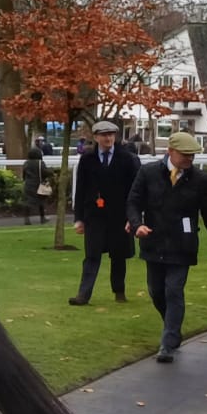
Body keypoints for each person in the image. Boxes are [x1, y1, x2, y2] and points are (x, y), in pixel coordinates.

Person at [126, 132, 207, 363]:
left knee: (173, 290)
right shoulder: (148, 172)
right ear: (170, 151)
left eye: (192, 155)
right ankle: (173, 328)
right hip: (153, 241)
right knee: (156, 291)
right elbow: (133, 202)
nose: (189, 159)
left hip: (183, 244)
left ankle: (168, 343)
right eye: (185, 155)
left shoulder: (200, 179)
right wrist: (136, 225)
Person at [70, 119, 140, 306]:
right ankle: (83, 295)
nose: (107, 138)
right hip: (94, 216)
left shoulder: (128, 159)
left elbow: (136, 191)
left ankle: (119, 291)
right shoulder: (87, 159)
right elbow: (81, 190)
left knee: (118, 256)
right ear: (96, 137)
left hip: (120, 216)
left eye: (110, 134)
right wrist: (79, 218)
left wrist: (133, 218)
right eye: (103, 135)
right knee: (92, 255)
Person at [22, 143, 49, 224]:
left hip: (28, 185)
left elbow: (24, 174)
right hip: (39, 184)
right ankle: (42, 218)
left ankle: (26, 219)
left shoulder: (26, 163)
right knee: (41, 202)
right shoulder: (41, 163)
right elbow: (45, 173)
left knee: (28, 202)